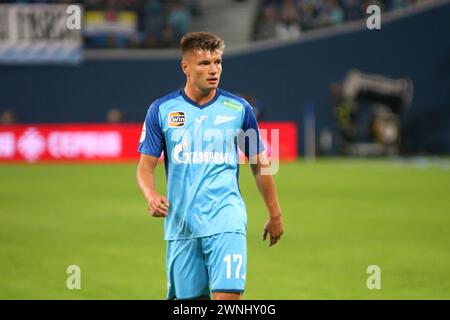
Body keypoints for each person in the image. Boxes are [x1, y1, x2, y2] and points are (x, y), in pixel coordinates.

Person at [136, 32, 284, 300]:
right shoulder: (161, 110)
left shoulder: (239, 109)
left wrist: (275, 214)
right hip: (182, 227)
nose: (214, 70)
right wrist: (151, 195)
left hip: (226, 219)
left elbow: (260, 164)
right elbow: (145, 167)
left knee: (227, 299)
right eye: (204, 63)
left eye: (218, 62)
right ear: (186, 67)